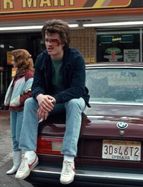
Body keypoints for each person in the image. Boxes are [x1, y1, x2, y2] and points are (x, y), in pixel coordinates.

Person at [15, 19, 90, 185]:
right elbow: (36, 86)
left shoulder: (76, 58)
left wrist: (53, 100)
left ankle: (69, 160)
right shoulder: (42, 58)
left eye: (53, 41)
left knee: (74, 103)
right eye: (46, 40)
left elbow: (77, 89)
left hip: (69, 101)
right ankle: (29, 155)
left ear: (63, 41)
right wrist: (41, 97)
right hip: (50, 101)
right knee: (29, 103)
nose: (49, 44)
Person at [4, 49, 34, 175]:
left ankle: (22, 164)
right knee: (14, 137)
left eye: (13, 58)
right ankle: (16, 164)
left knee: (20, 137)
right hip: (14, 109)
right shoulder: (18, 74)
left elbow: (30, 93)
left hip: (22, 110)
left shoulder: (29, 74)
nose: (11, 61)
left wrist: (16, 101)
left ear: (19, 59)